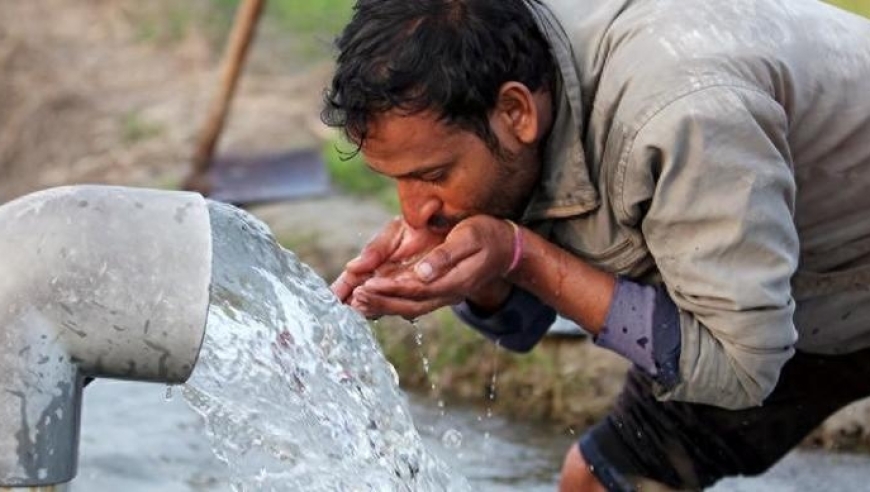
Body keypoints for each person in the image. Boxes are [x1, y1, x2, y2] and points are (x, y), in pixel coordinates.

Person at [321, 0, 870, 490]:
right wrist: (474, 265)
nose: (413, 211)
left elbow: (741, 369)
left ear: (516, 113)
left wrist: (521, 255)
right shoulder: (524, 69)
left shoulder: (683, 115)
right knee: (600, 480)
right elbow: (522, 327)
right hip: (791, 285)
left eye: (433, 174)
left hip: (818, 285)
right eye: (397, 180)